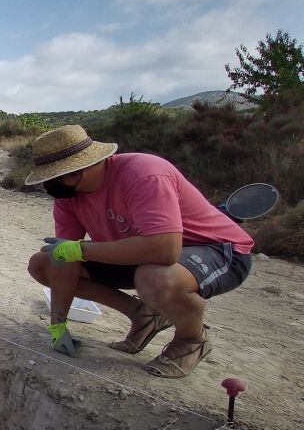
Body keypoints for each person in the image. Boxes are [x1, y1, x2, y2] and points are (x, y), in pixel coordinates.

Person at [25, 125, 254, 378]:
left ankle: (192, 340)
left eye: (59, 176)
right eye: (48, 178)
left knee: (154, 277)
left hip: (216, 249)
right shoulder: (69, 197)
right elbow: (63, 261)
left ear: (87, 164)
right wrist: (57, 324)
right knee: (43, 263)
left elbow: (164, 250)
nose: (52, 185)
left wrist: (81, 250)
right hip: (141, 255)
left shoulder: (144, 174)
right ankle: (144, 315)